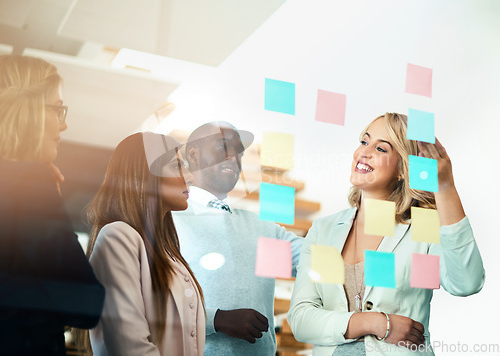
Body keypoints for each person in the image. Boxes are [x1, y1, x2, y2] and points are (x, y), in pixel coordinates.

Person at [288, 112, 485, 356]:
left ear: (403, 169)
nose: (364, 152)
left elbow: (466, 283)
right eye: (364, 141)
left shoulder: (421, 228)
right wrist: (376, 323)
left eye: (381, 149)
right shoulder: (324, 230)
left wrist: (445, 187)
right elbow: (301, 319)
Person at [0, 55, 105, 355]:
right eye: (57, 109)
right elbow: (86, 305)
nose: (64, 123)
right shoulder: (29, 184)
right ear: (26, 110)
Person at [173, 121, 304, 356]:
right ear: (193, 155)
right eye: (223, 147)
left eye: (239, 153)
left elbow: (315, 260)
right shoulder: (169, 221)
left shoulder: (262, 227)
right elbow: (148, 303)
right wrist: (217, 319)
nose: (234, 158)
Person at [87, 132, 205, 356]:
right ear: (143, 175)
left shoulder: (170, 254)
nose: (189, 177)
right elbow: (129, 347)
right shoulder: (117, 237)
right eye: (175, 166)